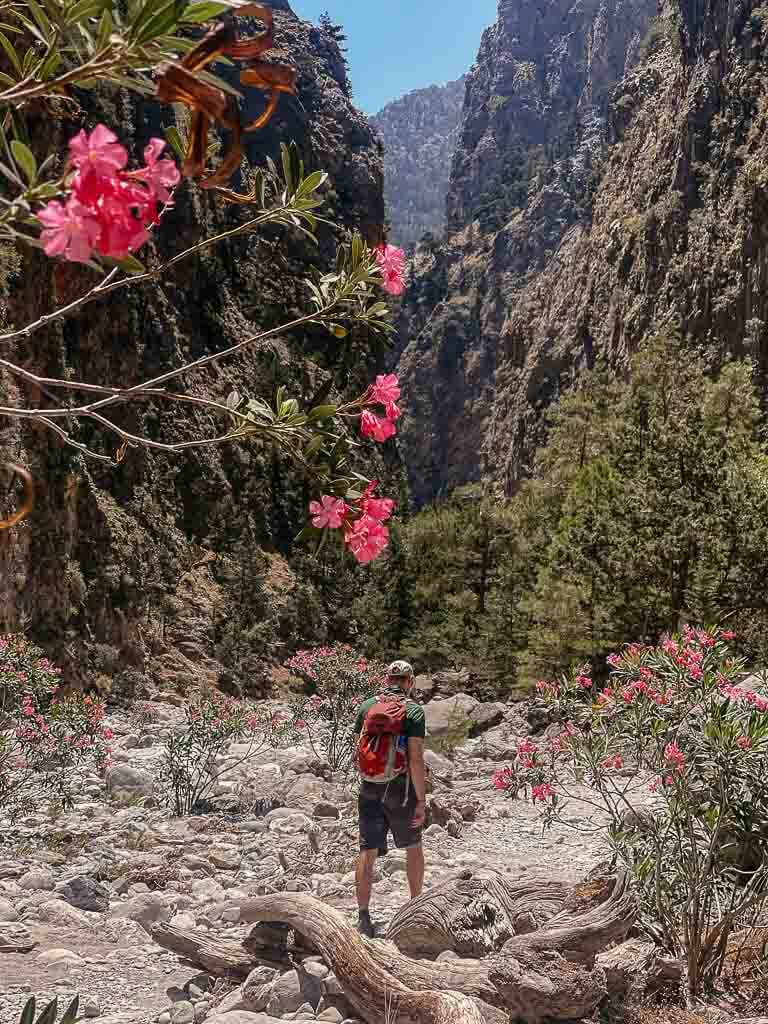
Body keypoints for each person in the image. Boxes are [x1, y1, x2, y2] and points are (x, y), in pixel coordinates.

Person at [352, 659, 426, 938]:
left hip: (369, 786)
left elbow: (358, 748)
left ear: (387, 679)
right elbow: (416, 759)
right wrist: (421, 799)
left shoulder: (367, 706)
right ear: (409, 682)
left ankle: (363, 917)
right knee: (413, 846)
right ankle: (416, 909)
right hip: (400, 788)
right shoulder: (413, 711)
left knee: (367, 851)